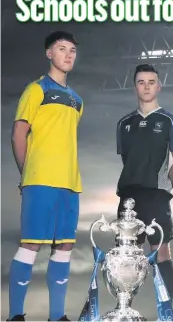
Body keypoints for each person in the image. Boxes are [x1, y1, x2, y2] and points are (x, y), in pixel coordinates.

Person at [8, 31, 83, 321]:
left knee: (65, 246)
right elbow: (18, 134)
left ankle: (57, 316)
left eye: (72, 50)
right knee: (31, 244)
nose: (68, 54)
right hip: (40, 181)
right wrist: (27, 175)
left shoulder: (77, 100)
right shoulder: (36, 90)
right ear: (49, 54)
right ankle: (16, 315)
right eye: (62, 49)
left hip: (70, 183)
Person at [115, 63, 173, 304]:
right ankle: (125, 310)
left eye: (151, 82)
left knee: (161, 252)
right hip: (128, 198)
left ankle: (166, 311)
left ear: (159, 86)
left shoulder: (170, 121)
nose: (146, 86)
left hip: (156, 197)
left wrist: (164, 188)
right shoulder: (123, 123)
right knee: (127, 256)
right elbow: (127, 159)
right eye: (141, 82)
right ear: (135, 86)